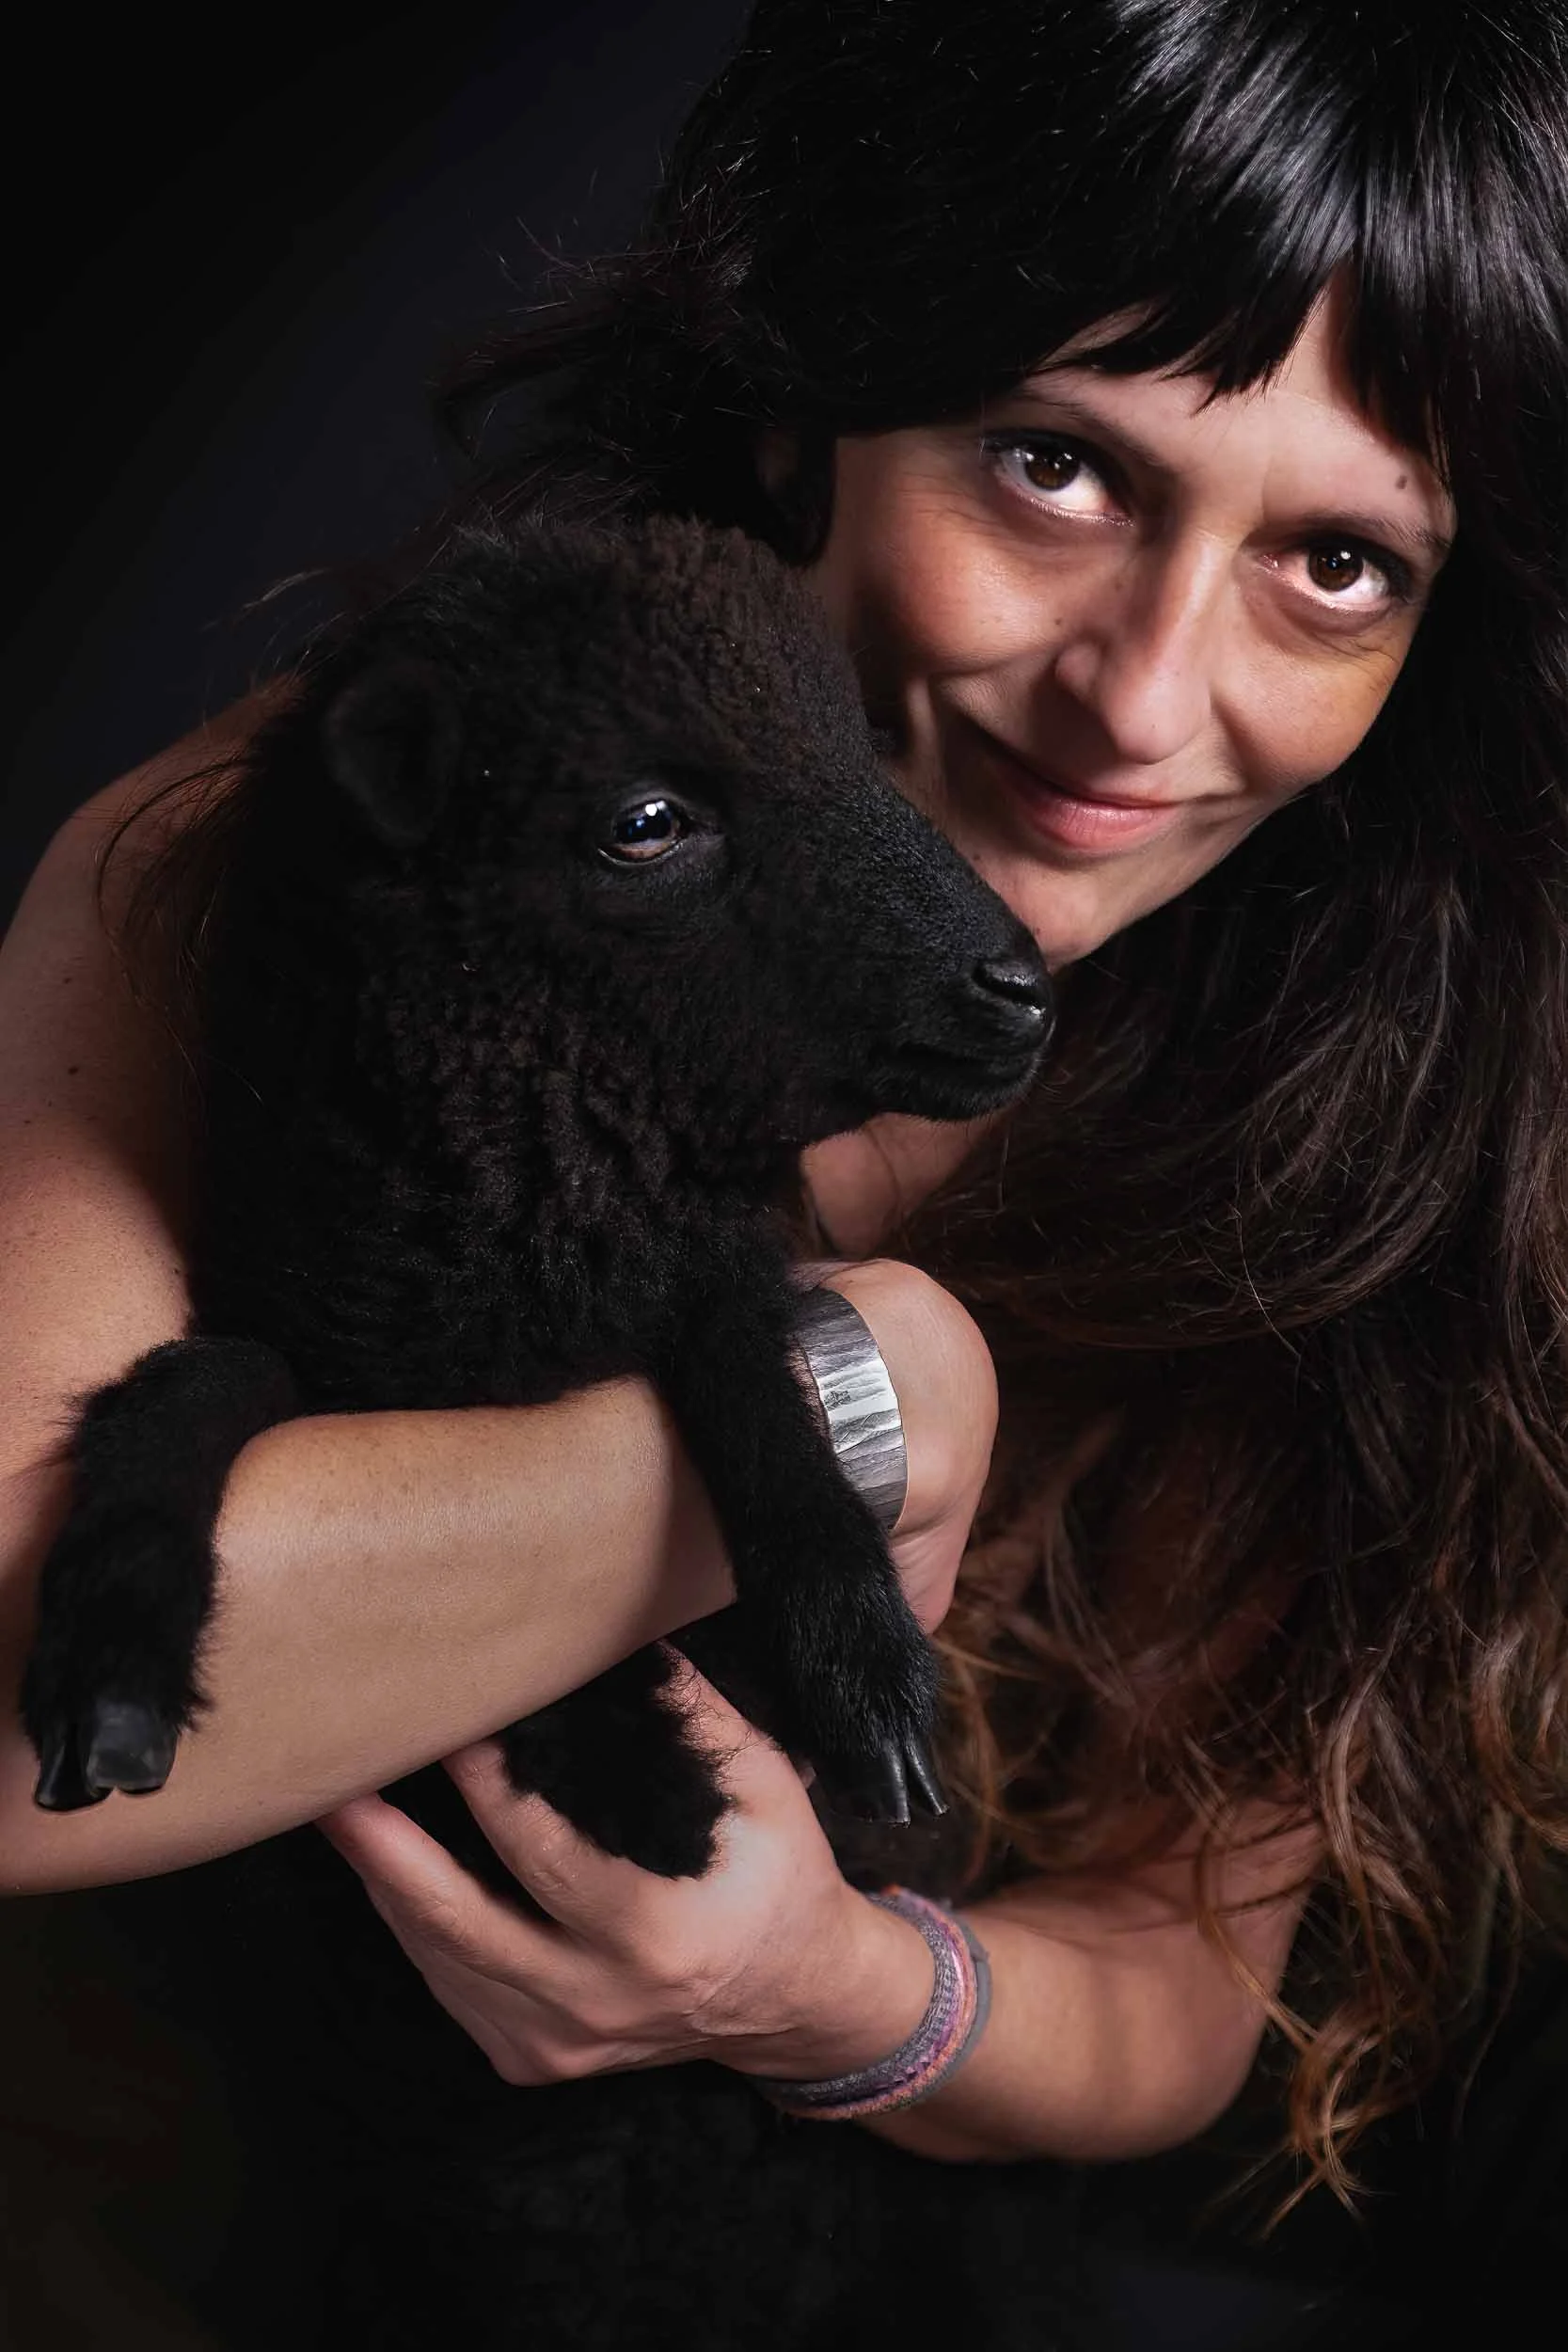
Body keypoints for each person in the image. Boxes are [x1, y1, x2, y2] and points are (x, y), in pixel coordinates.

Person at [3, 0, 1567, 2343]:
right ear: (802, 403)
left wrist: (829, 1991)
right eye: (1053, 465)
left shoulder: (1344, 1082)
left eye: (1336, 562)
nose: (1142, 698)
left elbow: (1163, 1977)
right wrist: (862, 1392)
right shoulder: (326, 844)